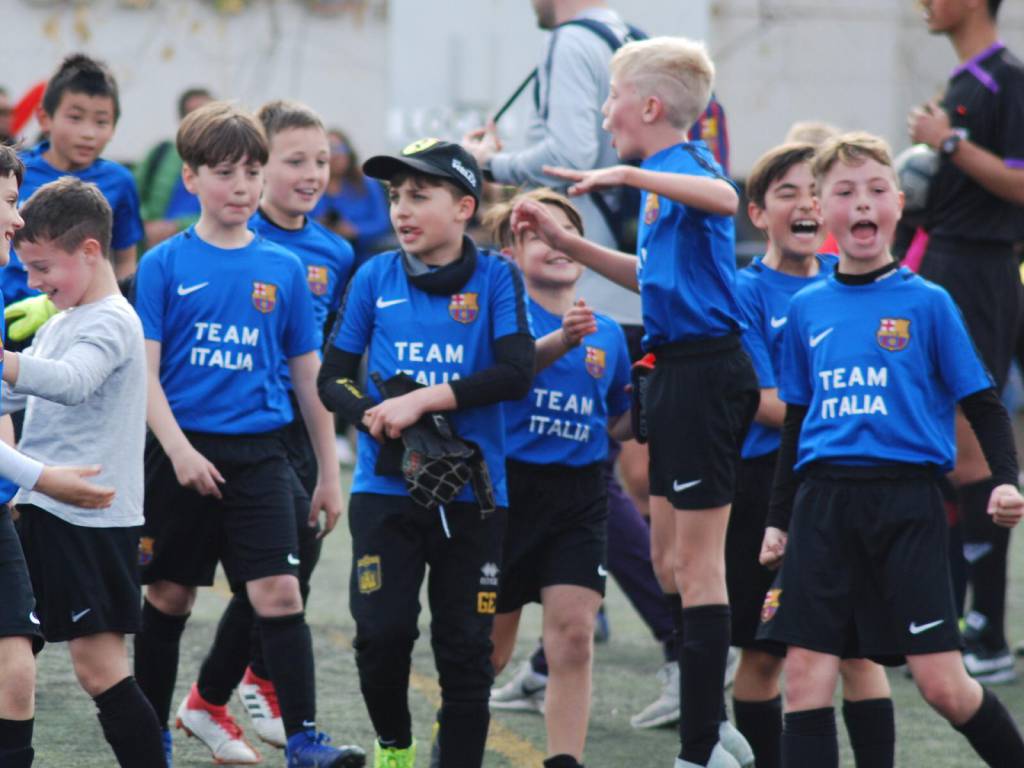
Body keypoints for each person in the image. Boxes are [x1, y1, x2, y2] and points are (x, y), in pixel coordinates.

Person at [512, 36, 757, 768]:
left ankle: (703, 741)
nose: (604, 110)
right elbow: (650, 273)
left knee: (698, 563)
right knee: (664, 559)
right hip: (673, 369)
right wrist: (567, 240)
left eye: (613, 98)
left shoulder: (680, 167)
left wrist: (623, 170)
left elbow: (725, 198)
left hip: (708, 369)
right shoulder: (658, 183)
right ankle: (710, 717)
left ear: (650, 107)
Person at [757, 132, 1024, 768]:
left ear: (899, 206)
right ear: (823, 211)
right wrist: (776, 518)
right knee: (805, 680)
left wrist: (1007, 479)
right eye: (845, 192)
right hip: (822, 507)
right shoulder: (807, 309)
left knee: (942, 686)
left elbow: (984, 403)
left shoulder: (927, 303)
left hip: (908, 506)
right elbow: (797, 421)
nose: (862, 203)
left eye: (877, 190)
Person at [132, 101, 362, 768]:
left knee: (280, 591)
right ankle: (151, 741)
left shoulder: (284, 268)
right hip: (180, 452)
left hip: (261, 454)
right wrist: (178, 451)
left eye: (252, 172)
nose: (242, 186)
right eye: (225, 172)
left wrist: (327, 472)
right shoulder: (163, 263)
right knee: (169, 596)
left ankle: (304, 741)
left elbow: (307, 376)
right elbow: (144, 375)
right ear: (192, 177)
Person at [317, 138, 533, 768]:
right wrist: (374, 414)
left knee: (467, 649)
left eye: (420, 195)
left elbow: (517, 372)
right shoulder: (374, 274)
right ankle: (395, 746)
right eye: (394, 197)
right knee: (380, 637)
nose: (402, 210)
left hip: (475, 497)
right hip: (386, 491)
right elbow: (334, 378)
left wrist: (425, 400)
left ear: (464, 206)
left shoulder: (498, 276)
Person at [731, 142, 893, 768]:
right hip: (766, 486)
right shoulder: (744, 293)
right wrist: (845, 415)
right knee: (766, 650)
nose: (804, 204)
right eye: (787, 193)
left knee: (858, 649)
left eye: (812, 192)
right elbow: (767, 400)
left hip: (846, 484)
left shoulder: (853, 277)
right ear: (758, 213)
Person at [4, 177, 163, 765]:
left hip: (88, 518)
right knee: (10, 651)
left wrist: (7, 361)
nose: (34, 283)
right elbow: (24, 400)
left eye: (43, 267)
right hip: (44, 507)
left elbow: (71, 384)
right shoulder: (61, 318)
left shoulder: (112, 321)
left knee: (100, 670)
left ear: (90, 250)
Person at [477, 188, 629, 768]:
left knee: (572, 637)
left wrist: (660, 402)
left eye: (566, 231)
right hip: (506, 494)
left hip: (579, 496)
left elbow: (615, 421)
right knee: (489, 652)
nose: (556, 243)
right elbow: (501, 379)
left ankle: (563, 762)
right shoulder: (498, 320)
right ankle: (454, 743)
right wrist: (561, 339)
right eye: (538, 233)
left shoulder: (609, 333)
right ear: (512, 252)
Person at [907, 0, 1024, 684]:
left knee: (970, 441)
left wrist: (947, 143)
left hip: (980, 270)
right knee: (942, 447)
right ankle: (948, 613)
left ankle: (989, 633)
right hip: (943, 263)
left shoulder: (1006, 78)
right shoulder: (958, 83)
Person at [2, 54, 142, 314]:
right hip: (10, 311)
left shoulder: (120, 182)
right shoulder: (16, 171)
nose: (88, 132)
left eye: (101, 121)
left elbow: (125, 260)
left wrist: (119, 310)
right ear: (45, 118)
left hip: (78, 319)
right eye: (75, 118)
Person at [134, 87, 214, 252]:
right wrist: (146, 225)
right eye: (192, 114)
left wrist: (175, 227)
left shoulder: (229, 161)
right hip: (156, 250)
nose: (200, 121)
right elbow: (131, 198)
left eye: (206, 114)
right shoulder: (160, 153)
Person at [312, 128, 392, 266]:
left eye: (340, 149)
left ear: (349, 153)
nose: (335, 156)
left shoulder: (366, 183)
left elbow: (383, 222)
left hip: (365, 254)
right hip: (325, 254)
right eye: (330, 150)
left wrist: (355, 230)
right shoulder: (312, 185)